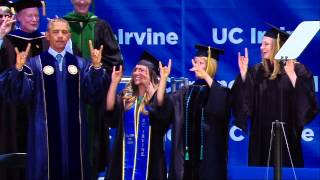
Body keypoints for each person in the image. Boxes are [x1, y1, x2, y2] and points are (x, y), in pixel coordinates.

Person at [0, 18, 108, 180]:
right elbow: (20, 95)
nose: (60, 36)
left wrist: (97, 68)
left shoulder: (81, 64)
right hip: (43, 136)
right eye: (55, 32)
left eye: (64, 32)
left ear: (69, 36)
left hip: (75, 137)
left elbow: (93, 94)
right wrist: (18, 70)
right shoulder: (34, 64)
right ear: (47, 36)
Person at [232, 25, 319, 167]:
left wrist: (291, 75)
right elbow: (244, 102)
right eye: (261, 43)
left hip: (287, 137)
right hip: (261, 137)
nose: (261, 47)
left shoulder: (298, 70)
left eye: (266, 44)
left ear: (278, 46)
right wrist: (243, 74)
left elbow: (307, 103)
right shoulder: (256, 71)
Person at [64, 0, 123, 176]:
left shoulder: (100, 25)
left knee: (93, 143)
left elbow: (115, 61)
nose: (82, 2)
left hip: (94, 98)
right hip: (66, 95)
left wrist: (95, 75)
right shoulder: (63, 26)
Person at [157, 44, 231, 180]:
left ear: (211, 65)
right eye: (195, 61)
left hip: (210, 157)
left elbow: (220, 110)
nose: (196, 65)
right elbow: (162, 107)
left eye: (201, 63)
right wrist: (163, 79)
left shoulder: (220, 91)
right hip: (186, 158)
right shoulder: (186, 91)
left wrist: (207, 76)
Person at [105, 51, 169, 180]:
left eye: (142, 70)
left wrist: (157, 82)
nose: (137, 73)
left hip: (150, 154)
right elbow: (110, 108)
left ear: (151, 74)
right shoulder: (127, 97)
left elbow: (160, 111)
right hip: (125, 153)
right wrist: (113, 83)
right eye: (135, 70)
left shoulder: (156, 97)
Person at [0, 1, 22, 179]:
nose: (4, 20)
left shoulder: (12, 42)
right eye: (0, 16)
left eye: (7, 16)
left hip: (9, 109)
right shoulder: (3, 40)